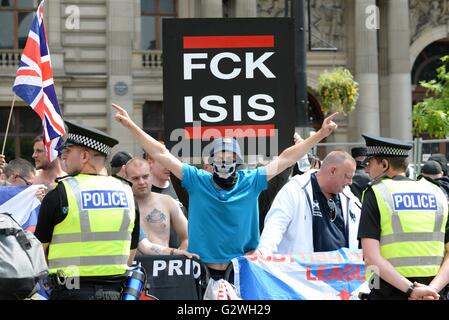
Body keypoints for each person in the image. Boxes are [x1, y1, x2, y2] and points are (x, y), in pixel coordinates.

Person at [112, 102, 338, 281]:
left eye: (229, 159)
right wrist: (130, 125)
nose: (224, 164)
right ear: (210, 162)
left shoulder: (251, 181)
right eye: (219, 159)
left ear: (238, 161)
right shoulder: (197, 180)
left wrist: (319, 134)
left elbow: (287, 158)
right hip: (202, 271)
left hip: (241, 269)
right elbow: (160, 154)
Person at [35, 120, 140, 300]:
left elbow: (39, 253)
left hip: (69, 292)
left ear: (84, 156)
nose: (63, 156)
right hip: (115, 293)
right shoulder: (127, 192)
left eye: (68, 151)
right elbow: (131, 252)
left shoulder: (60, 193)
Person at [357, 134, 449, 300]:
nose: (366, 169)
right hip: (433, 294)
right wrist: (431, 290)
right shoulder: (438, 192)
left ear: (384, 164)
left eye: (369, 162)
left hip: (388, 293)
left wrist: (411, 290)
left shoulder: (376, 193)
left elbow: (370, 256)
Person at [257, 151, 361, 254]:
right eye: (347, 177)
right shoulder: (295, 190)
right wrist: (263, 254)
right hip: (303, 269)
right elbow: (275, 226)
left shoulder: (349, 198)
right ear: (333, 170)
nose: (350, 182)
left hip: (343, 269)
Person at [125, 158, 191, 256]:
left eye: (145, 176)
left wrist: (176, 259)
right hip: (132, 267)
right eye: (135, 178)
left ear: (151, 174)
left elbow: (188, 236)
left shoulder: (167, 202)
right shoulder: (121, 206)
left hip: (164, 266)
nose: (142, 182)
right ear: (126, 179)